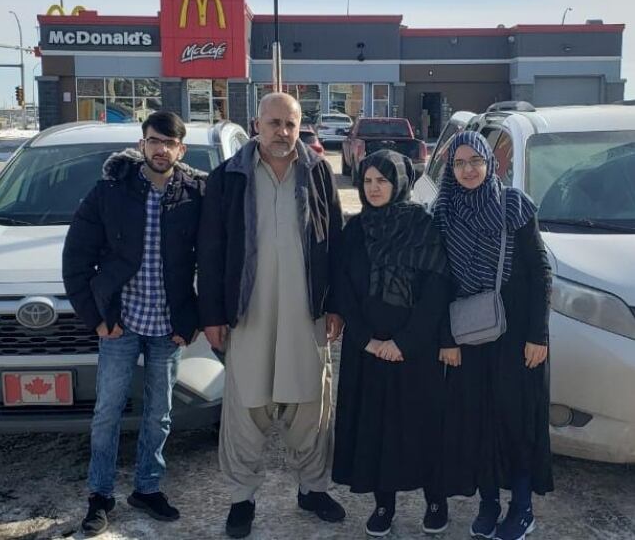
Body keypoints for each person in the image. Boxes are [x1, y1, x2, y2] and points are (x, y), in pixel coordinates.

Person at [197, 92, 345, 538]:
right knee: (247, 405)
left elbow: (334, 239)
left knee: (309, 404)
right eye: (274, 123)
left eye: (290, 124)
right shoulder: (229, 177)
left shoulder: (318, 173)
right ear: (256, 124)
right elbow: (211, 248)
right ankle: (242, 498)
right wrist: (213, 314)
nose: (282, 132)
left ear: (301, 127)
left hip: (307, 311)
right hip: (249, 310)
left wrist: (336, 303)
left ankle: (313, 487)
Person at [62, 111, 205, 537]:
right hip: (120, 324)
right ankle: (100, 495)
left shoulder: (195, 194)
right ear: (142, 144)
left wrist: (192, 319)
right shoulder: (111, 191)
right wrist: (96, 319)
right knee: (107, 411)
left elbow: (210, 260)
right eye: (154, 141)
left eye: (170, 143)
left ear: (182, 149)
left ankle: (147, 487)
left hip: (168, 326)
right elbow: (76, 257)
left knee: (159, 413)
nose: (161, 149)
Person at [433, 131, 553, 540]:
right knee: (477, 422)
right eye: (460, 163)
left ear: (491, 164)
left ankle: (522, 507)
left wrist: (538, 334)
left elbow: (540, 271)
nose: (468, 170)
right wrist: (446, 339)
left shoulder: (513, 206)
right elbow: (440, 281)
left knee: (515, 422)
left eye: (475, 161)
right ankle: (488, 504)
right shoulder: (443, 211)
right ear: (452, 169)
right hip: (468, 335)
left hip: (516, 335)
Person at [332, 150, 452, 537]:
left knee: (422, 425)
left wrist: (405, 342)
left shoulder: (424, 226)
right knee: (376, 427)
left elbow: (437, 291)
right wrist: (366, 338)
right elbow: (344, 289)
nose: (374, 188)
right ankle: (384, 504)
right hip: (367, 350)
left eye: (382, 180)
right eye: (367, 181)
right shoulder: (355, 230)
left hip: (414, 350)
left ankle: (436, 499)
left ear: (399, 182)